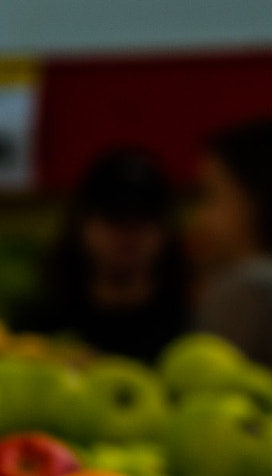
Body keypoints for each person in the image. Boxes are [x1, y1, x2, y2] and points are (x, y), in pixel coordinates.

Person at [15, 147, 190, 361]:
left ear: (165, 229)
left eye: (144, 217)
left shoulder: (191, 329)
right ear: (83, 224)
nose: (129, 231)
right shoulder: (37, 332)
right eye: (115, 215)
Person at [191, 119, 272, 365]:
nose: (201, 218)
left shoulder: (248, 287)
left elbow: (204, 384)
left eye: (212, 194)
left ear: (254, 199)